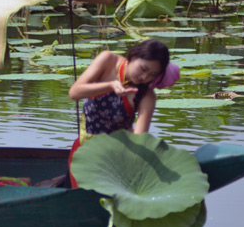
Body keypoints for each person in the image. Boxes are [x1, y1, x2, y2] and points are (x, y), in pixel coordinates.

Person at [67, 39, 178, 186]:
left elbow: (139, 138)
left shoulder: (147, 96)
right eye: (143, 68)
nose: (144, 77)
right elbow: (74, 92)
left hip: (117, 159)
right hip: (84, 153)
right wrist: (110, 86)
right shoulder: (107, 60)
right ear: (133, 55)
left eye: (152, 74)